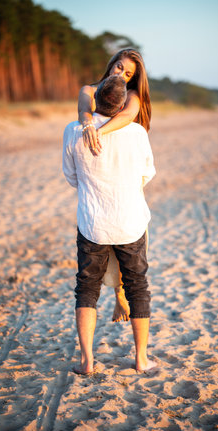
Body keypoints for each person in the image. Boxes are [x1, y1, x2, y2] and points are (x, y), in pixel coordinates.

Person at [63, 75, 156, 374]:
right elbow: (146, 174)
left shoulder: (73, 131)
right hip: (130, 222)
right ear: (120, 105)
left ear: (96, 100)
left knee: (87, 288)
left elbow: (71, 177)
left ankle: (87, 361)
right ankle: (141, 359)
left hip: (93, 222)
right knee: (138, 287)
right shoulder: (137, 132)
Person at [78, 48, 151, 322]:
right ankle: (119, 297)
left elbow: (128, 116)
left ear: (133, 79)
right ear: (111, 64)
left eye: (128, 73)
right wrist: (87, 125)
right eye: (119, 67)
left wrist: (98, 131)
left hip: (124, 180)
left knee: (126, 253)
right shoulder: (90, 89)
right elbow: (85, 110)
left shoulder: (131, 96)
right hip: (98, 178)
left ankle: (120, 295)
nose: (121, 74)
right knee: (106, 249)